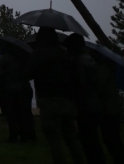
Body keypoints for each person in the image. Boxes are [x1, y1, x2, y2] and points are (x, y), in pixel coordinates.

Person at [25, 27, 85, 164]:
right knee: (71, 138)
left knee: (54, 138)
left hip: (49, 99)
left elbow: (27, 74)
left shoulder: (39, 53)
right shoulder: (63, 53)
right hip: (68, 99)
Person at [64, 34, 104, 164]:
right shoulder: (89, 58)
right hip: (94, 101)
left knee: (88, 139)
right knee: (93, 138)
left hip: (85, 104)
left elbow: (80, 84)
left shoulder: (78, 61)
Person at [0, 50, 36, 143]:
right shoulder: (23, 59)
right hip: (22, 88)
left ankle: (13, 135)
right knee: (22, 113)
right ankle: (24, 135)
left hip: (8, 89)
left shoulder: (4, 58)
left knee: (11, 114)